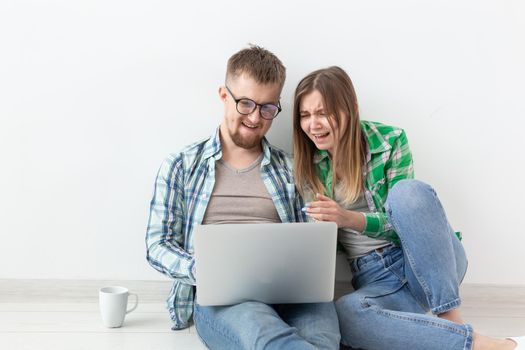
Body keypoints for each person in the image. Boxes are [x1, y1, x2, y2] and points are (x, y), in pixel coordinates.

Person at [292, 66, 524, 350]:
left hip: (428, 260)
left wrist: (349, 219)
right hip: (375, 278)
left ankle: (450, 318)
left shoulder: (390, 141)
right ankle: (480, 344)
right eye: (305, 115)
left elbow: (406, 219)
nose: (313, 124)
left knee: (408, 193)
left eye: (323, 112)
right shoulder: (307, 167)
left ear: (351, 109)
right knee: (346, 315)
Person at [145, 46, 340, 350]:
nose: (255, 118)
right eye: (245, 103)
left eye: (267, 108)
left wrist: (323, 224)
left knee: (322, 340)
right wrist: (204, 269)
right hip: (226, 298)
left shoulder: (293, 168)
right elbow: (157, 245)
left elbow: (315, 242)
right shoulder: (182, 165)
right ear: (224, 95)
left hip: (294, 292)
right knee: (267, 337)